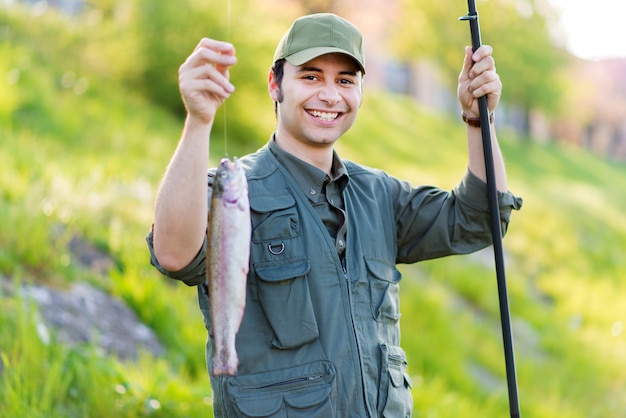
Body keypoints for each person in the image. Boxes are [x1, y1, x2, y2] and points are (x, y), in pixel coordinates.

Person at [147, 13, 522, 418]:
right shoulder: (232, 192)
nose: (329, 95)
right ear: (275, 85)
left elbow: (479, 220)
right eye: (310, 77)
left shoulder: (379, 194)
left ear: (361, 91)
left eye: (345, 80)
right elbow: (174, 254)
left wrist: (476, 119)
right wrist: (200, 120)